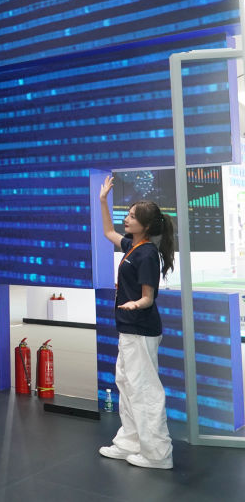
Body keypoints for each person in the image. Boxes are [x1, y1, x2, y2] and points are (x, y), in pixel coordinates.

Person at [97, 176, 174, 469]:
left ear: (146, 225)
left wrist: (134, 304)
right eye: (128, 214)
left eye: (131, 216)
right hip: (128, 329)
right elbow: (108, 231)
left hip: (141, 330)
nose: (126, 219)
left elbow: (148, 298)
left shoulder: (148, 254)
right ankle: (129, 443)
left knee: (144, 390)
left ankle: (158, 454)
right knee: (128, 385)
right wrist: (102, 200)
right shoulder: (132, 246)